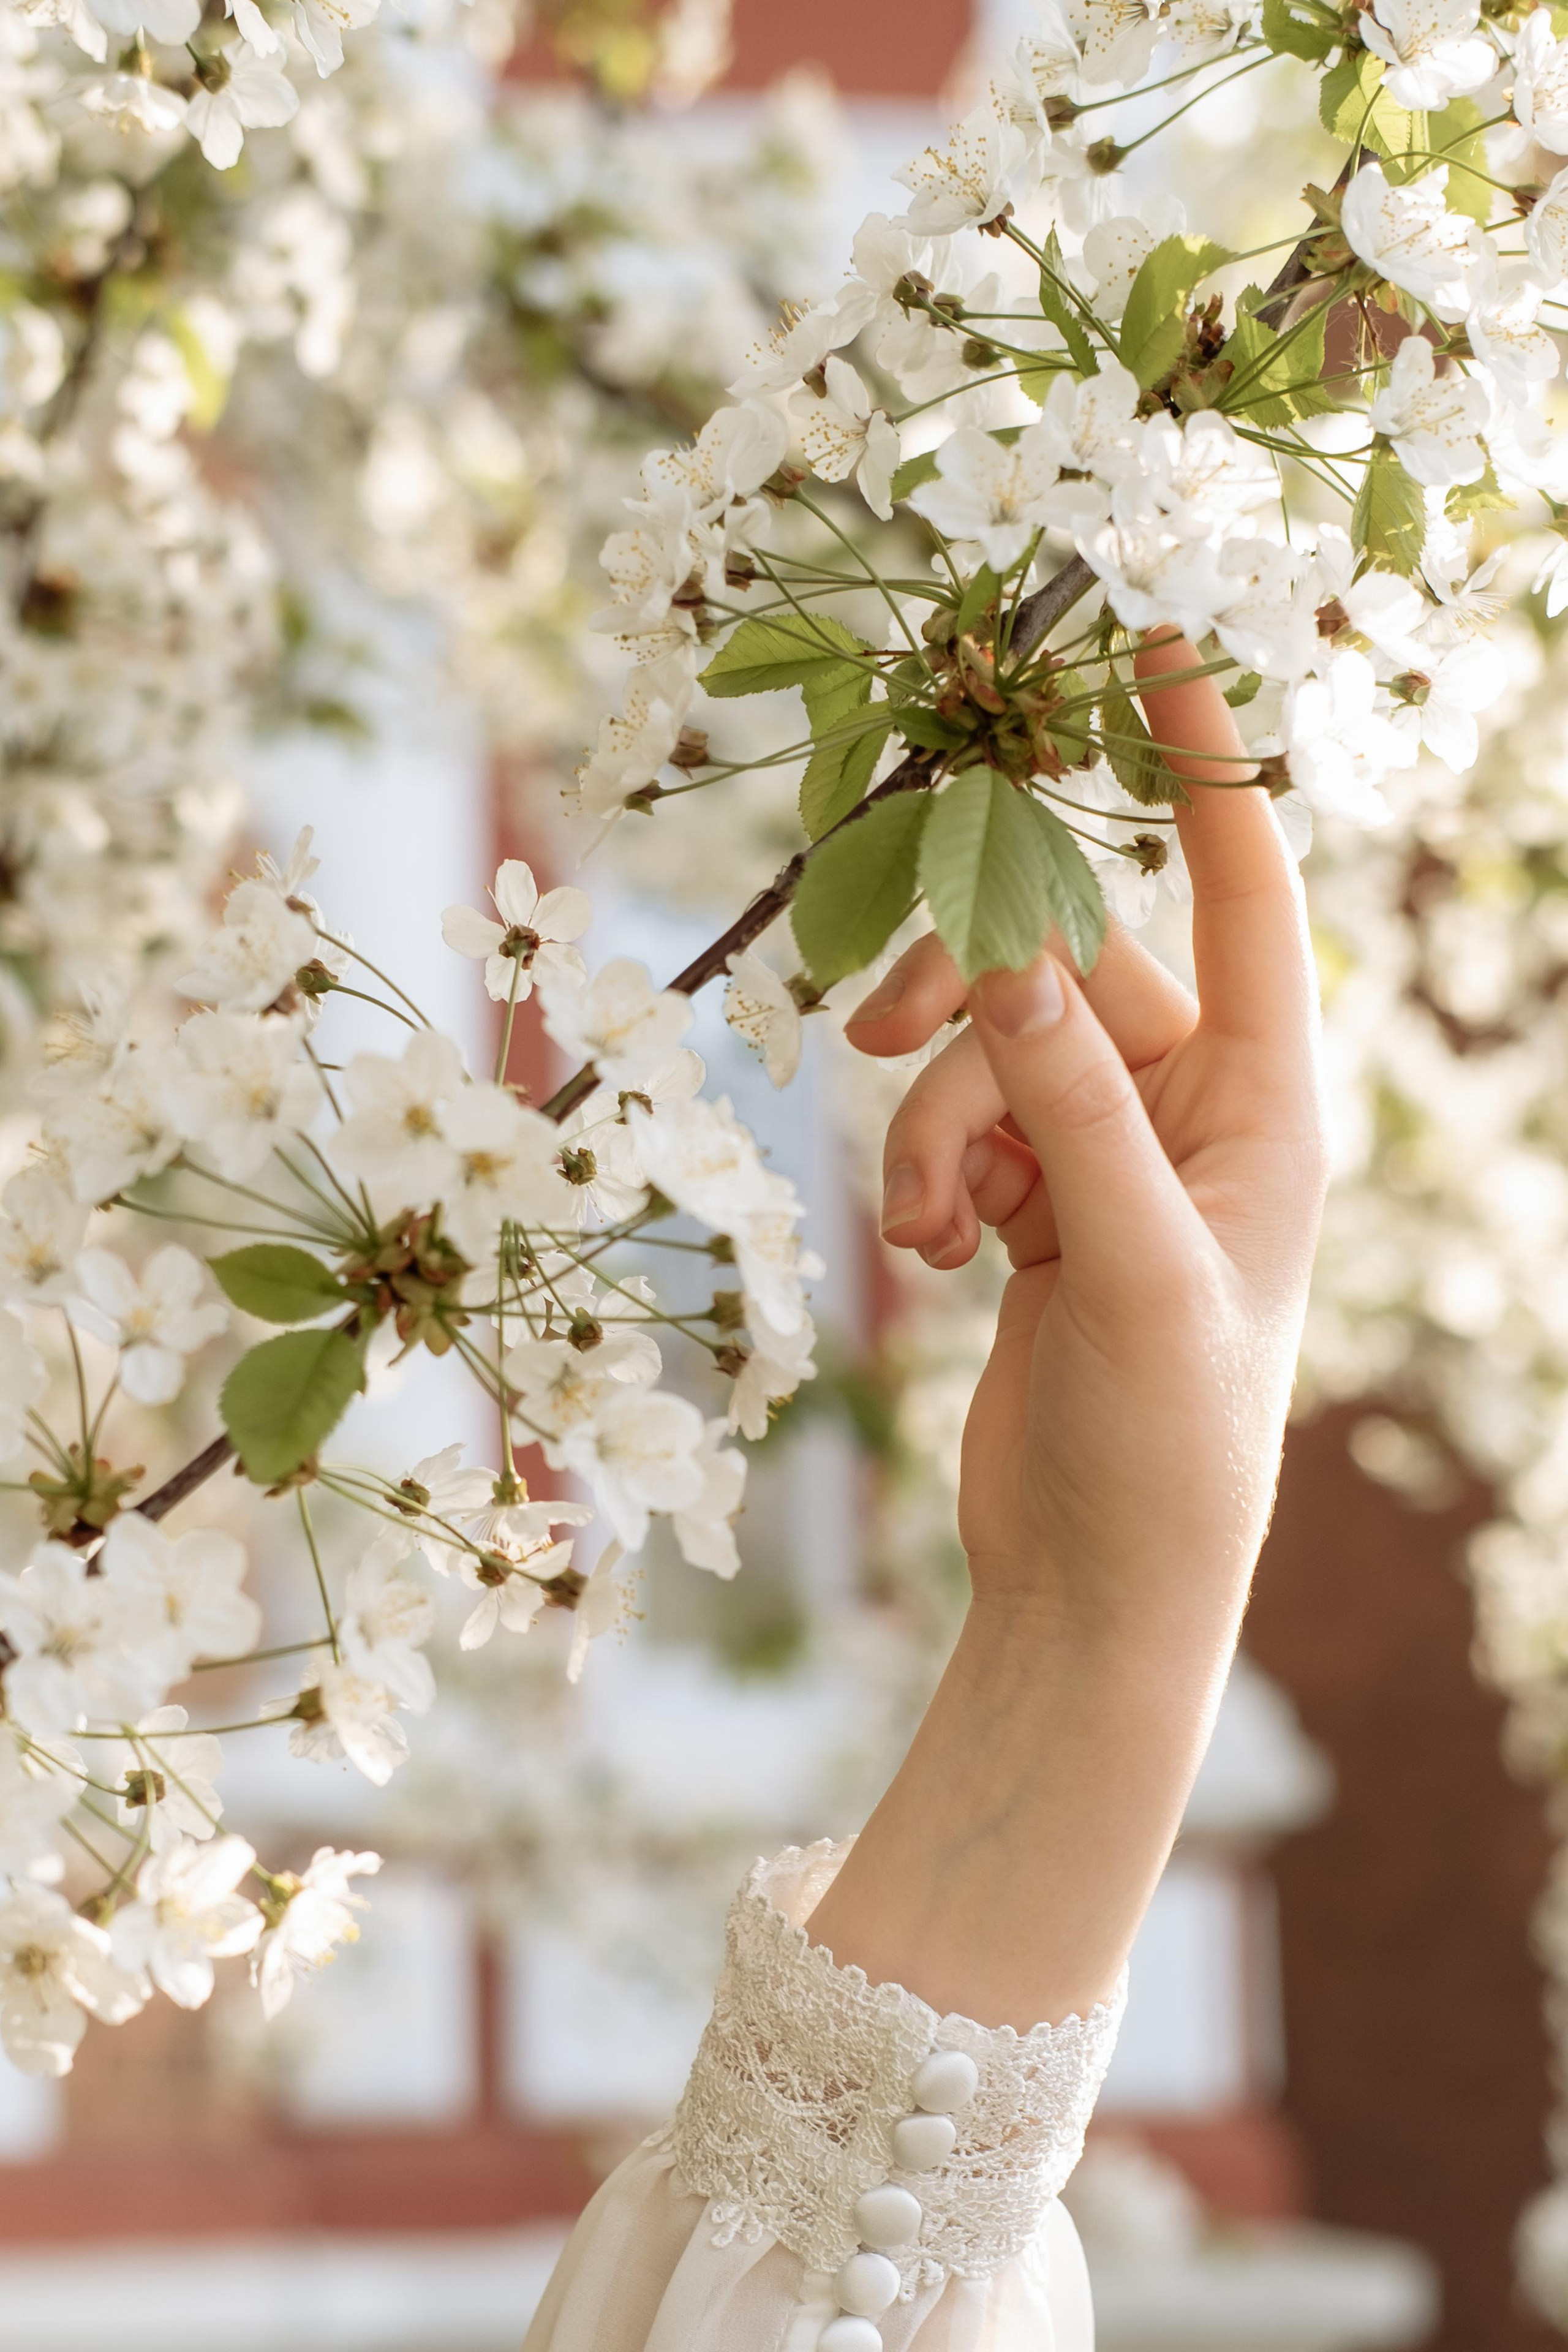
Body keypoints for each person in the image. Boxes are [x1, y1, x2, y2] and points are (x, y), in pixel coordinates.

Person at [522, 631, 1329, 2351]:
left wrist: (1091, 1622)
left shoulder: (798, 2222)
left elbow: (771, 2270)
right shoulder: (832, 2226)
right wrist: (1097, 1625)